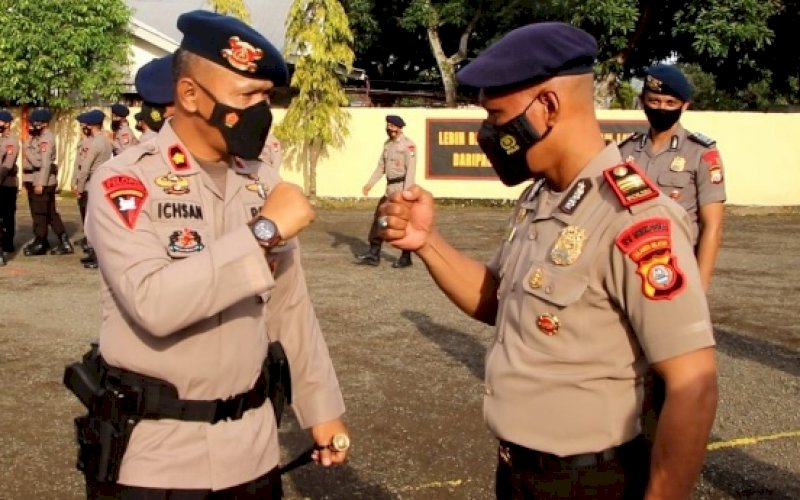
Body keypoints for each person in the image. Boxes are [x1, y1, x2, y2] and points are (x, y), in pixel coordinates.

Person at [379, 22, 718, 499]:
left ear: (548, 107)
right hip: (517, 473)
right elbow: (497, 300)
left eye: (497, 116)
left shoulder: (637, 219)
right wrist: (427, 241)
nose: (489, 133)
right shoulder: (542, 197)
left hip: (587, 482)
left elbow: (693, 385)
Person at [76, 10, 348, 497]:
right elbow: (153, 302)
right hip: (154, 459)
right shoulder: (126, 181)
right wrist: (263, 231)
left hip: (252, 452)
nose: (261, 110)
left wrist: (321, 409)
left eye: (266, 97)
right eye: (246, 96)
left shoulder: (263, 182)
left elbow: (291, 308)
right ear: (190, 96)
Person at [619, 64, 725, 292]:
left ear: (684, 106)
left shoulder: (701, 154)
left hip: (675, 267)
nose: (661, 108)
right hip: (627, 265)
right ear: (642, 101)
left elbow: (712, 227)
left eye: (670, 103)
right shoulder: (625, 152)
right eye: (654, 101)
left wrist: (700, 287)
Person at [357, 114, 416, 268]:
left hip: (401, 188)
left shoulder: (408, 146)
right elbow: (381, 167)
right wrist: (369, 184)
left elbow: (411, 171)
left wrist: (407, 193)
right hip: (389, 189)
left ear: (399, 127)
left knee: (401, 223)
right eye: (388, 126)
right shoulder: (387, 145)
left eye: (392, 126)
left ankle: (406, 256)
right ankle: (374, 253)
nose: (389, 128)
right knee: (379, 219)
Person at [21, 108, 73, 256]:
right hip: (35, 179)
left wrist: (40, 184)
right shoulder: (37, 137)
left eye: (35, 122)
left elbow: (42, 163)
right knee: (50, 213)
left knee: (40, 214)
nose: (31, 124)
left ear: (43, 123)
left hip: (41, 180)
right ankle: (63, 241)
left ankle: (41, 242)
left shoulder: (46, 139)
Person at [72, 109, 113, 269]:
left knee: (93, 223)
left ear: (92, 125)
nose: (85, 126)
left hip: (91, 186)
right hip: (98, 185)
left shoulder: (96, 143)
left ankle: (98, 256)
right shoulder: (103, 140)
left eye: (87, 123)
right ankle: (94, 254)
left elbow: (85, 168)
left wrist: (79, 188)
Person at [0, 110, 20, 266]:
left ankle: (7, 244)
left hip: (7, 184)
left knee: (7, 214)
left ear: (7, 124)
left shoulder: (11, 141)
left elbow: (7, 165)